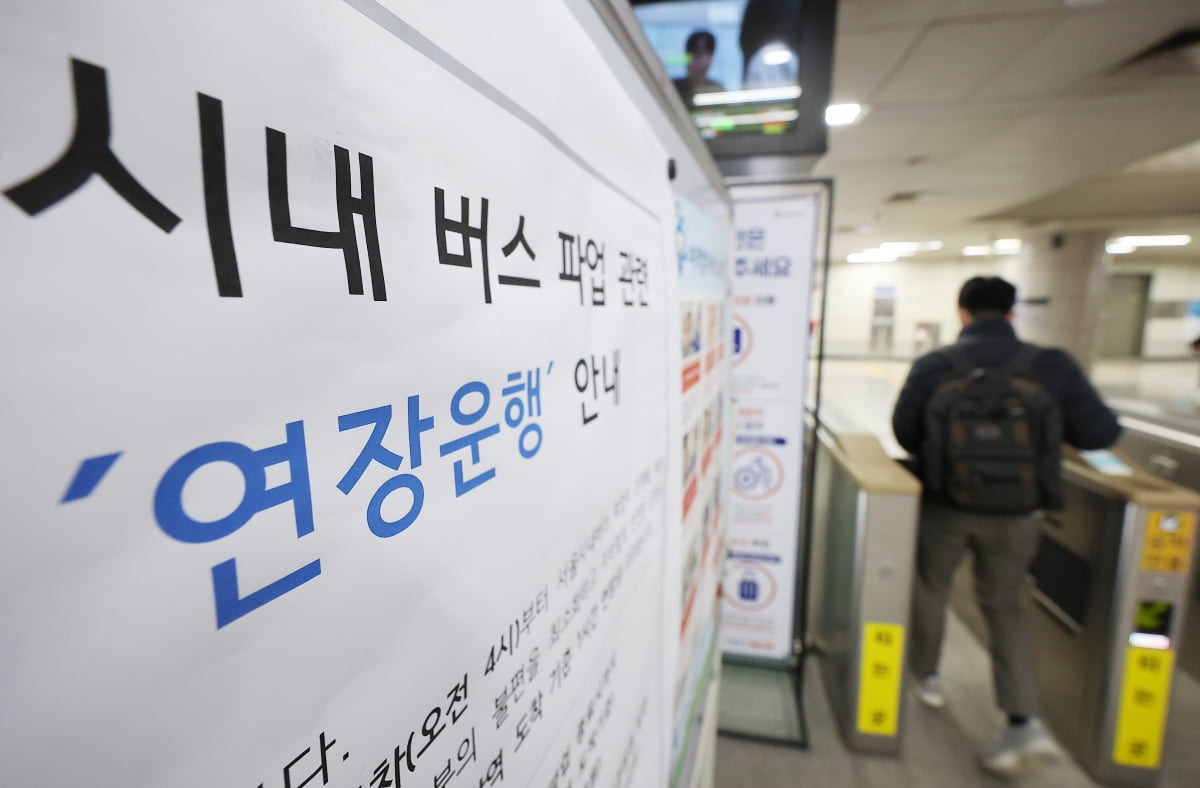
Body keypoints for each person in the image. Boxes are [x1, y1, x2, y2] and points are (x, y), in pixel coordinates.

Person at [891, 276, 1121, 776]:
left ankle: (926, 677)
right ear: (1013, 314)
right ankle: (1021, 721)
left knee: (931, 585)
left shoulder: (936, 365)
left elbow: (905, 433)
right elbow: (1100, 432)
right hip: (1019, 513)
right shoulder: (1051, 365)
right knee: (1005, 605)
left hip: (946, 506)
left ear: (962, 312)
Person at [672, 30, 723, 109]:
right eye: (697, 54)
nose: (703, 61)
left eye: (708, 54)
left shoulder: (717, 89)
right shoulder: (673, 88)